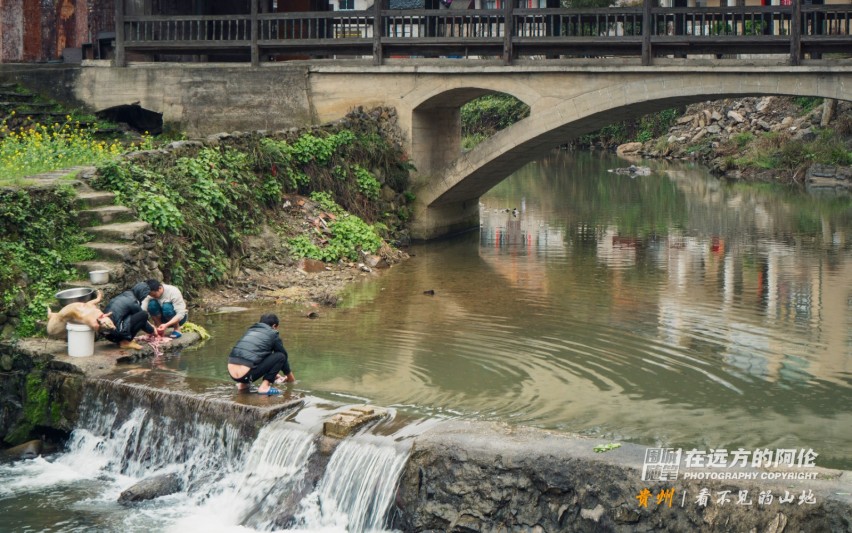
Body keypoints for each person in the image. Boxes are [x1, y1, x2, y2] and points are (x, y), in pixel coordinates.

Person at [227, 313, 295, 395]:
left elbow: (259, 357)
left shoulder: (250, 331)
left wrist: (275, 374)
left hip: (232, 373)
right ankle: (264, 387)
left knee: (249, 356)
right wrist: (291, 379)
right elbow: (283, 357)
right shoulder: (273, 334)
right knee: (281, 356)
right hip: (246, 374)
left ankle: (243, 385)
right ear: (274, 326)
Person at [103, 282, 156, 350]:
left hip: (108, 335)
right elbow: (143, 321)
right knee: (144, 315)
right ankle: (125, 342)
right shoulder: (133, 301)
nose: (145, 297)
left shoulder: (125, 295)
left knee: (134, 316)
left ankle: (122, 340)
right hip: (115, 333)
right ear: (141, 294)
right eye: (145, 295)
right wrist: (153, 331)